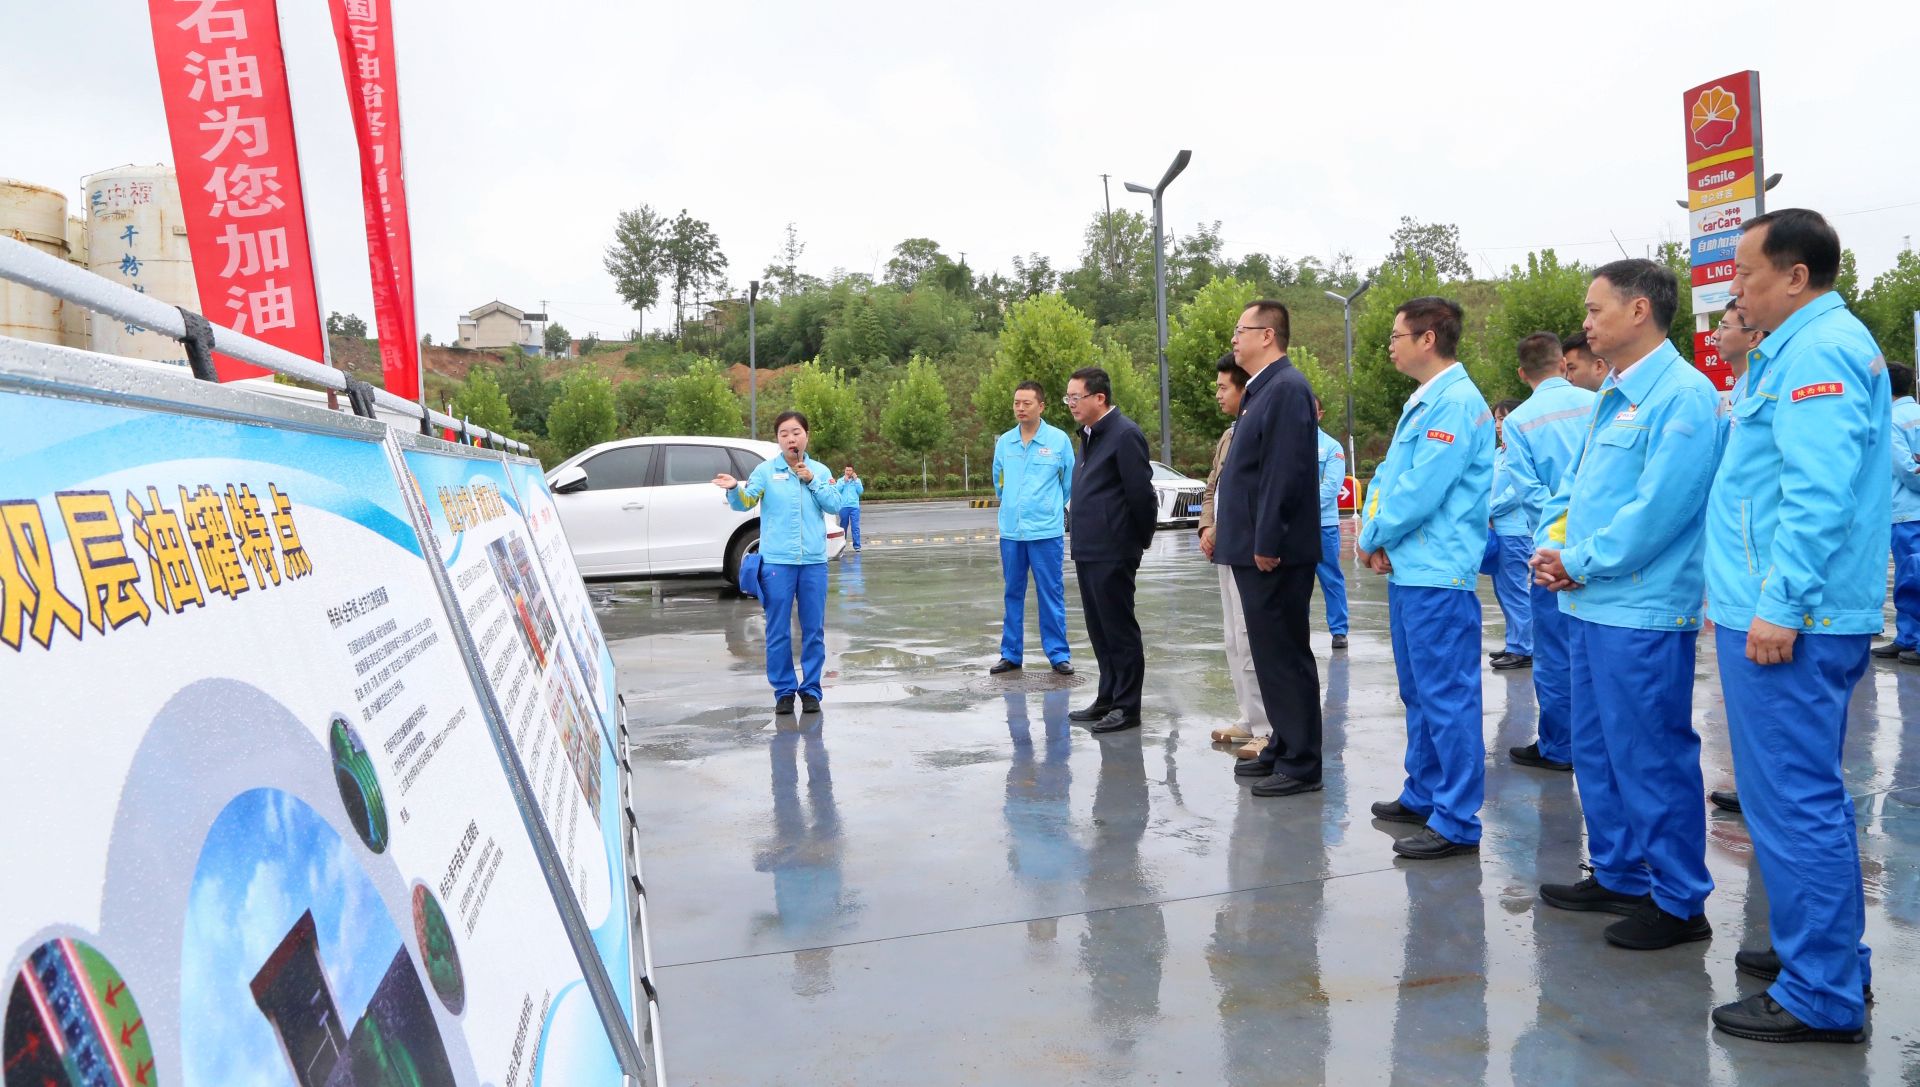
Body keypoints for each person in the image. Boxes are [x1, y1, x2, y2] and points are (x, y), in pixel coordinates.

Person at [1705, 208, 1889, 1044]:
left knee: (1793, 800)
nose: (1736, 287)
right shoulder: (1797, 349)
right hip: (1781, 607)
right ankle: (1828, 959)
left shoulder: (1818, 352)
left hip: (1792, 616)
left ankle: (1821, 992)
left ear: (1795, 276)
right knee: (1798, 797)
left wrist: (1780, 604)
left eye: (1746, 272)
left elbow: (1818, 494)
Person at [1532, 259, 1720, 951]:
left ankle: (1678, 899)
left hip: (1640, 609)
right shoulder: (1612, 392)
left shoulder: (1684, 395)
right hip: (1590, 603)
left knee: (1650, 755)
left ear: (1639, 310)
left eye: (1595, 309)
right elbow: (1573, 488)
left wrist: (1578, 561)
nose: (1585, 323)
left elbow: (1660, 508)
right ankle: (1619, 872)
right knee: (1598, 748)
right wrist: (1552, 546)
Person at [1356, 296, 1495, 855]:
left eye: (1396, 336)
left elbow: (1422, 490)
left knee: (1447, 698)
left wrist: (1372, 536)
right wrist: (1377, 535)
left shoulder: (1455, 403)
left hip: (1438, 574)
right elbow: (1388, 477)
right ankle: (1425, 792)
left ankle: (1457, 819)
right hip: (1413, 568)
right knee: (1418, 692)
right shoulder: (1425, 400)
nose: (1390, 346)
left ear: (1428, 338)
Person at [1214, 301, 1326, 798]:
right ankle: (1283, 744)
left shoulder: (1286, 388)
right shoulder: (1263, 389)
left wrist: (1267, 540)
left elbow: (1285, 471)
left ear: (1267, 335)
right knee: (1268, 654)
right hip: (1252, 548)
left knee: (1284, 655)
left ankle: (1302, 763)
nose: (1234, 339)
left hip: (1273, 552)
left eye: (1241, 330)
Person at [1501, 331, 1595, 772]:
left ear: (1523, 374)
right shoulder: (1598, 404)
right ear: (1562, 364)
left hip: (1551, 554)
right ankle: (1598, 741)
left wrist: (1559, 535)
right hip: (1602, 548)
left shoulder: (1519, 421)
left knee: (1555, 654)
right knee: (1598, 649)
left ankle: (1559, 747)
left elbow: (1529, 492)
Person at [712, 410, 844, 715]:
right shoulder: (765, 472)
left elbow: (834, 504)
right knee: (777, 630)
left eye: (796, 432)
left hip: (813, 563)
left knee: (813, 630)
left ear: (806, 436)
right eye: (784, 434)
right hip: (777, 564)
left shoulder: (819, 471)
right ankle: (784, 691)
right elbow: (745, 502)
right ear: (778, 439)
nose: (790, 438)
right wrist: (734, 489)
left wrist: (812, 480)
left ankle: (811, 690)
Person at [1063, 367, 1156, 733]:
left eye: (1076, 397)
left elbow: (1141, 495)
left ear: (1099, 398)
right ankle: (1108, 697)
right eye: (1068, 398)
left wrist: (1136, 541)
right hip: (1088, 548)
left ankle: (1127, 706)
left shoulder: (1124, 434)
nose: (1071, 404)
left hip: (1114, 549)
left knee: (1119, 630)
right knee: (1099, 629)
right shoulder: (1089, 435)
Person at [1705, 301, 1766, 813]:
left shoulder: (1767, 387)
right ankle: (1755, 788)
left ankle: (1763, 792)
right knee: (1749, 707)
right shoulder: (1738, 390)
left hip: (1757, 577)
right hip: (1734, 575)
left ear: (1754, 336)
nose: (1715, 334)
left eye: (1724, 326)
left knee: (1771, 709)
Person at [1199, 354, 1269, 759]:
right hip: (1226, 548)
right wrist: (1207, 526)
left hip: (1249, 550)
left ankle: (1267, 726)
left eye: (1224, 387)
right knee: (1232, 638)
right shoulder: (1229, 434)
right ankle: (1249, 717)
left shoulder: (1258, 430)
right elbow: (1213, 485)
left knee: (1251, 638)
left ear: (1245, 389)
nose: (1218, 394)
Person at [990, 381, 1076, 677]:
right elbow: (999, 481)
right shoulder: (1005, 442)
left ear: (1041, 406)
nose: (1020, 408)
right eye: (1017, 403)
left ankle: (1058, 654)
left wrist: (1048, 507)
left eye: (1027, 403)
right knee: (1012, 593)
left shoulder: (1058, 440)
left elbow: (1068, 483)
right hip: (1012, 533)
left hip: (1045, 533)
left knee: (1050, 592)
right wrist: (1012, 505)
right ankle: (1010, 654)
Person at [1872, 361, 1920, 663]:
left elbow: (1906, 469)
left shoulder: (1890, 421)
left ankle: (1911, 638)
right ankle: (1908, 637)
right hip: (1910, 512)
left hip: (1906, 513)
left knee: (1910, 577)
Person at [1483, 398, 1533, 670]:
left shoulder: (1520, 451)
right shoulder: (1498, 454)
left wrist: (1489, 510)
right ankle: (1515, 641)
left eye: (1503, 418)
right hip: (1497, 531)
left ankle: (1524, 648)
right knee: (1503, 590)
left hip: (1514, 532)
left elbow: (1517, 491)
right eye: (1496, 420)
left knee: (1514, 590)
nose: (1498, 425)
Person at [1313, 397, 1351, 651]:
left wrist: (1300, 509)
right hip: (1293, 527)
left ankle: (1339, 630)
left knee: (1331, 579)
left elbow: (1330, 488)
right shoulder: (1286, 444)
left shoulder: (1331, 447)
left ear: (1320, 414)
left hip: (1323, 526)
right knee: (1295, 583)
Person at [838, 466, 864, 552]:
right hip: (843, 506)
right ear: (844, 471)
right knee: (843, 526)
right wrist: (844, 482)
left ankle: (857, 546)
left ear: (853, 471)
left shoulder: (857, 480)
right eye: (847, 470)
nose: (848, 472)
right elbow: (837, 490)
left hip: (854, 507)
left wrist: (856, 481)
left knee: (855, 526)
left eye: (850, 470)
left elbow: (860, 491)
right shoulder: (840, 480)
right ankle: (841, 546)